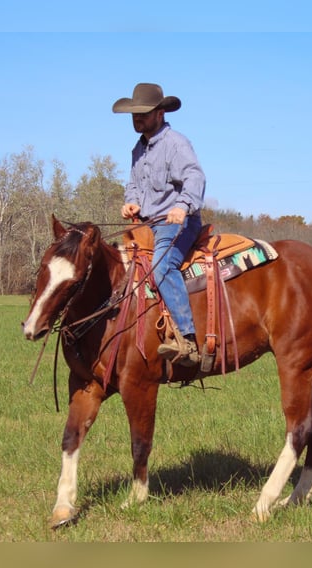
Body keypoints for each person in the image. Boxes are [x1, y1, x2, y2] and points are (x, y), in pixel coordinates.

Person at [113, 83, 206, 367]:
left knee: (162, 265)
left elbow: (194, 177)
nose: (137, 118)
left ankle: (186, 340)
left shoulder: (176, 143)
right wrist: (131, 202)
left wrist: (182, 206)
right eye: (134, 114)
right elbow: (134, 185)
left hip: (176, 223)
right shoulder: (137, 149)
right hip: (146, 224)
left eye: (144, 113)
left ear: (161, 113)